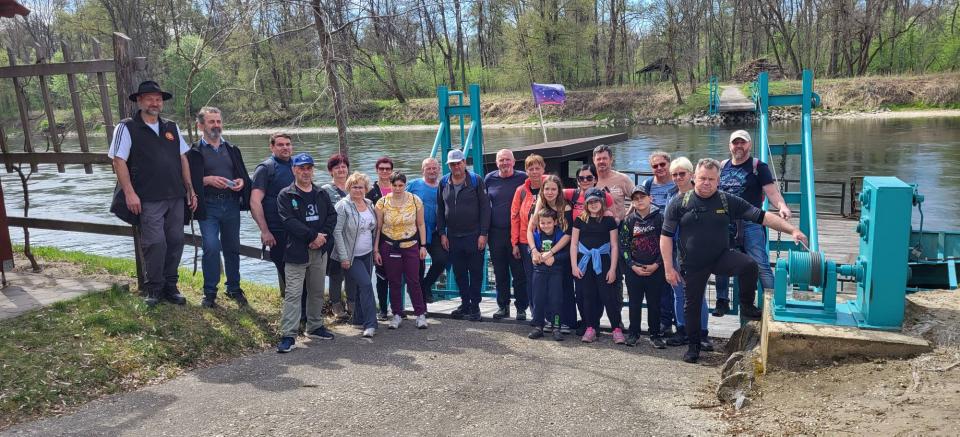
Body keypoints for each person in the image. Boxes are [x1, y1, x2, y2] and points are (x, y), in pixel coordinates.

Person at [661, 158, 807, 363]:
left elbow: (762, 216)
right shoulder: (679, 203)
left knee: (749, 265)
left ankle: (746, 304)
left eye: (711, 179)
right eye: (702, 178)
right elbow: (666, 236)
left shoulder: (726, 200)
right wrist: (668, 268)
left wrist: (793, 230)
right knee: (691, 306)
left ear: (718, 180)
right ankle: (693, 347)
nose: (706, 183)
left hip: (720, 256)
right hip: (693, 263)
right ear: (694, 178)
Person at [108, 80, 196, 307]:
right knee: (155, 242)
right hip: (147, 197)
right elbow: (118, 161)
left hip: (175, 195)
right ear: (139, 101)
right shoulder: (127, 127)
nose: (155, 103)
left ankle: (170, 286)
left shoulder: (171, 127)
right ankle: (154, 288)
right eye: (149, 99)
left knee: (176, 241)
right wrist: (129, 193)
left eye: (158, 99)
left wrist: (190, 189)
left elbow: (183, 158)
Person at [713, 130, 793, 316]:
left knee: (760, 264)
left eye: (743, 142)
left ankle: (775, 304)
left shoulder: (758, 167)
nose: (738, 146)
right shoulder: (722, 166)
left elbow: (772, 192)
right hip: (726, 223)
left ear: (749, 145)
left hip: (751, 223)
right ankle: (722, 301)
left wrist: (782, 206)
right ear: (730, 146)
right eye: (735, 143)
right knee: (720, 262)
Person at [185, 106, 252, 309]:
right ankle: (209, 292)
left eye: (218, 121)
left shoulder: (232, 149)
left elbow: (243, 175)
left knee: (232, 247)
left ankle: (233, 288)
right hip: (208, 205)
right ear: (201, 126)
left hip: (231, 204)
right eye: (211, 122)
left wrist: (241, 182)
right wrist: (206, 180)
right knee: (211, 246)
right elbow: (186, 180)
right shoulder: (193, 152)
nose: (216, 125)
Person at [276, 153, 337, 353]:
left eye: (309, 168)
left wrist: (322, 236)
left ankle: (315, 326)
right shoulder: (286, 195)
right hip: (296, 252)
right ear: (293, 170)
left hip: (319, 251)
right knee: (293, 294)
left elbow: (332, 216)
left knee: (317, 291)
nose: (305, 172)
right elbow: (288, 221)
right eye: (301, 168)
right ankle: (289, 335)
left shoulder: (321, 193)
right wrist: (312, 236)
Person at [662, 157, 712, 349]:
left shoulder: (701, 194)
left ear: (691, 174)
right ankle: (682, 330)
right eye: (674, 174)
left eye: (682, 173)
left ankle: (702, 333)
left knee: (698, 294)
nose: (678, 178)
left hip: (697, 251)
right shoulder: (671, 195)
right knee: (679, 293)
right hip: (675, 249)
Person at [437, 149, 491, 321]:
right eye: (452, 164)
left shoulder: (476, 180)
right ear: (449, 166)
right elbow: (440, 209)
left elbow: (485, 208)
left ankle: (475, 306)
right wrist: (442, 233)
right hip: (453, 236)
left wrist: (483, 233)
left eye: (458, 163)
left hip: (474, 235)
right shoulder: (443, 182)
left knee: (475, 272)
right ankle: (465, 303)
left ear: (464, 163)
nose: (456, 167)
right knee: (459, 273)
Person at [374, 171, 430, 330]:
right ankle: (397, 314)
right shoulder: (382, 203)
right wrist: (376, 249)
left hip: (411, 245)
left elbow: (421, 224)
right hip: (390, 245)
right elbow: (378, 227)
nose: (398, 188)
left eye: (401, 185)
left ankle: (420, 314)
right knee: (394, 281)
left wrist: (423, 246)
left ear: (405, 185)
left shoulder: (415, 200)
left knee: (414, 280)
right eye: (395, 185)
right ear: (390, 185)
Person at [332, 172, 379, 338]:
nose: (358, 190)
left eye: (361, 187)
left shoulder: (369, 204)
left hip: (367, 253)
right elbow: (337, 232)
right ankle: (371, 323)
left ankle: (358, 319)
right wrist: (344, 257)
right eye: (354, 187)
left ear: (366, 189)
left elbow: (374, 229)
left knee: (361, 288)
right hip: (351, 256)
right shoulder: (342, 206)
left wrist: (375, 250)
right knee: (366, 285)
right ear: (348, 188)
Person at [619, 185, 667, 348]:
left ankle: (655, 334)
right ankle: (634, 333)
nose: (639, 201)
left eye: (642, 197)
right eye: (635, 199)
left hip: (655, 269)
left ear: (650, 198)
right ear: (632, 202)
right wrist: (632, 265)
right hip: (634, 270)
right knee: (634, 303)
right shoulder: (629, 220)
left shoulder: (660, 218)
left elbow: (666, 244)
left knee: (655, 303)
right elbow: (623, 246)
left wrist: (657, 264)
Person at [570, 188, 621, 344]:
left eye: (596, 201)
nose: (593, 204)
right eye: (590, 201)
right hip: (585, 262)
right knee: (588, 296)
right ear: (585, 203)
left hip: (603, 261)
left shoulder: (609, 221)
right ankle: (590, 327)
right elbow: (574, 244)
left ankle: (616, 328)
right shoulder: (579, 220)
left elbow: (614, 245)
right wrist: (574, 266)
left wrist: (613, 269)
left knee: (608, 296)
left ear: (602, 202)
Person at [526, 175, 575, 333]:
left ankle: (565, 321)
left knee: (563, 288)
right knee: (543, 290)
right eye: (547, 189)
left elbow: (568, 234)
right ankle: (547, 320)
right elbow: (530, 230)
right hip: (542, 252)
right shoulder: (538, 206)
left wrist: (551, 253)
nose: (550, 192)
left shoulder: (565, 207)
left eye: (554, 189)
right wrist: (534, 250)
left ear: (559, 190)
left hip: (561, 250)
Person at [485, 149, 528, 321]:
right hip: (496, 233)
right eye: (501, 160)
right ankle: (503, 306)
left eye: (507, 160)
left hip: (516, 233)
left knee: (519, 273)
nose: (504, 163)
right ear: (497, 163)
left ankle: (521, 308)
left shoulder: (523, 177)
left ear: (514, 161)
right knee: (500, 272)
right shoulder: (489, 179)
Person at [250, 133, 295, 294]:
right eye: (280, 145)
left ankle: (305, 307)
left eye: (288, 144)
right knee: (288, 276)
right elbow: (255, 202)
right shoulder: (265, 169)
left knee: (302, 274)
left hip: (298, 230)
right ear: (272, 147)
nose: (285, 147)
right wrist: (265, 231)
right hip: (276, 231)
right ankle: (295, 307)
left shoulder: (298, 166)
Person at [641, 150, 678, 336]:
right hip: (655, 238)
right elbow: (637, 207)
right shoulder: (647, 185)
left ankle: (681, 323)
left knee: (678, 282)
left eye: (663, 164)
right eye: (655, 166)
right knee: (662, 282)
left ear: (669, 164)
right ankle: (665, 321)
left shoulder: (678, 182)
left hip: (677, 238)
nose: (659, 168)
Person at [508, 154, 547, 320]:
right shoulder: (521, 191)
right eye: (531, 168)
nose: (534, 171)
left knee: (549, 278)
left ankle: (551, 314)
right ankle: (536, 314)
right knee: (532, 279)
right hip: (527, 242)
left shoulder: (551, 186)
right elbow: (514, 217)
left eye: (538, 168)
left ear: (543, 169)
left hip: (549, 240)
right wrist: (515, 243)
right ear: (526, 171)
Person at [526, 209, 570, 341]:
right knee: (538, 299)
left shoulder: (560, 235)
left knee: (556, 300)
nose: (546, 225)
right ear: (539, 223)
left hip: (555, 273)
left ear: (555, 222)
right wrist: (533, 255)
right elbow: (530, 248)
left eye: (549, 222)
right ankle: (538, 326)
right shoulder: (536, 234)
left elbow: (566, 253)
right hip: (539, 272)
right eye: (543, 223)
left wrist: (555, 258)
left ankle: (556, 327)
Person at [407, 158, 447, 301]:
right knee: (419, 265)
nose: (432, 171)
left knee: (442, 259)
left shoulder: (443, 186)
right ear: (422, 170)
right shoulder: (414, 185)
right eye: (428, 168)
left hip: (435, 231)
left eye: (434, 168)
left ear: (439, 169)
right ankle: (418, 298)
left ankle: (426, 285)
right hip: (416, 232)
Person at [322, 153, 353, 321]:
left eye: (343, 166)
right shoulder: (326, 190)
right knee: (336, 273)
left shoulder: (354, 187)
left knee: (352, 273)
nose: (341, 170)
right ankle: (336, 304)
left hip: (353, 239)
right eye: (337, 167)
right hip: (334, 239)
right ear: (330, 171)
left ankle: (352, 303)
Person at [367, 156, 394, 320]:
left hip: (398, 238)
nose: (384, 171)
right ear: (376, 170)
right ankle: (383, 309)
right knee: (381, 275)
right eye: (381, 169)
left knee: (397, 276)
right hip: (379, 238)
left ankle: (397, 308)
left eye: (387, 169)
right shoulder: (371, 191)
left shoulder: (398, 188)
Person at [592, 144, 635, 221]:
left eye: (605, 158)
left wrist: (627, 215)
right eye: (598, 159)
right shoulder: (588, 180)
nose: (601, 161)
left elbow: (637, 198)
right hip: (595, 224)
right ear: (593, 160)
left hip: (618, 224)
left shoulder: (623, 179)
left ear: (611, 159)